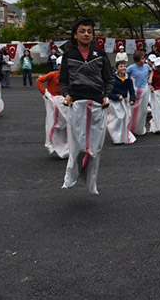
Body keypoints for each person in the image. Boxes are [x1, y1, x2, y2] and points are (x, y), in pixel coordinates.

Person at [59, 18, 113, 195]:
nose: (86, 34)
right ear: (75, 35)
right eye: (82, 31)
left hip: (98, 103)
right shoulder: (69, 55)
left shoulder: (100, 55)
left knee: (95, 148)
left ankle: (91, 183)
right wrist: (66, 94)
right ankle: (71, 176)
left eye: (89, 31)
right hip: (77, 103)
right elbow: (64, 80)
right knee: (78, 145)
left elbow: (108, 79)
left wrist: (106, 96)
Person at [108, 60, 137, 145]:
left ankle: (124, 135)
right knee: (118, 118)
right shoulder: (112, 79)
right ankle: (116, 137)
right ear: (116, 69)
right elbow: (109, 92)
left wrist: (132, 99)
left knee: (126, 117)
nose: (123, 68)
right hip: (114, 101)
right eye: (121, 66)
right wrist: (116, 97)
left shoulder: (128, 79)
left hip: (124, 101)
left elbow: (132, 91)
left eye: (124, 66)